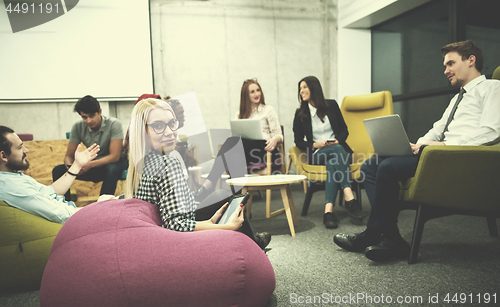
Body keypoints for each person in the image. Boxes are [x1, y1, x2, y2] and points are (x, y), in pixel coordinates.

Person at [334, 40, 500, 262]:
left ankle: (374, 233)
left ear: (471, 60)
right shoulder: (457, 98)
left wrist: (444, 146)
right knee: (371, 165)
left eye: (450, 63)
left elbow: (492, 132)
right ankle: (391, 236)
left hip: (456, 158)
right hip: (438, 153)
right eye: (445, 65)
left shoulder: (492, 88)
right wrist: (417, 145)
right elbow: (438, 129)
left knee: (389, 167)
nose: (446, 70)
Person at [125, 98, 271, 249]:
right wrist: (227, 227)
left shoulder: (138, 164)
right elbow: (175, 225)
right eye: (158, 126)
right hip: (178, 243)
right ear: (143, 131)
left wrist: (209, 222)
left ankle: (254, 241)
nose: (170, 132)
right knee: (224, 197)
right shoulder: (168, 164)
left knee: (220, 195)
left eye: (171, 124)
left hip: (156, 237)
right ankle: (255, 244)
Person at [194, 79, 283, 200]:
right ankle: (240, 201)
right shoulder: (239, 114)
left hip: (265, 150)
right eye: (252, 92)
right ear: (246, 95)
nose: (257, 94)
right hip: (247, 153)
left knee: (232, 141)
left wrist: (274, 140)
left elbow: (278, 134)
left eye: (258, 90)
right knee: (233, 156)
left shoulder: (268, 110)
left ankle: (209, 183)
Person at [293, 76, 363, 229]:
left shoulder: (331, 105)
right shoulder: (300, 114)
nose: (301, 91)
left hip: (337, 150)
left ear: (314, 88)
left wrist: (337, 140)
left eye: (304, 87)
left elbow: (344, 130)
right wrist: (315, 144)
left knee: (333, 162)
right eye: (300, 88)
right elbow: (298, 141)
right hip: (318, 153)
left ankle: (328, 211)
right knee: (337, 151)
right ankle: (349, 197)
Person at [0, 125, 100, 223]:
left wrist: (77, 165)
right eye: (20, 147)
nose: (26, 150)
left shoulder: (11, 177)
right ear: (3, 155)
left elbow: (50, 192)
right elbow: (62, 215)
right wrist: (99, 207)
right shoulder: (14, 186)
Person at [52, 95, 125, 200]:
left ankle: (103, 207)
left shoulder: (114, 124)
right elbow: (68, 156)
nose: (88, 121)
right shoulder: (78, 126)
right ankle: (64, 206)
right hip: (92, 165)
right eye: (84, 117)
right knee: (58, 170)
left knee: (111, 168)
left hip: (111, 164)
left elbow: (114, 156)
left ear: (100, 112)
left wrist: (90, 164)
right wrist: (71, 166)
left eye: (91, 116)